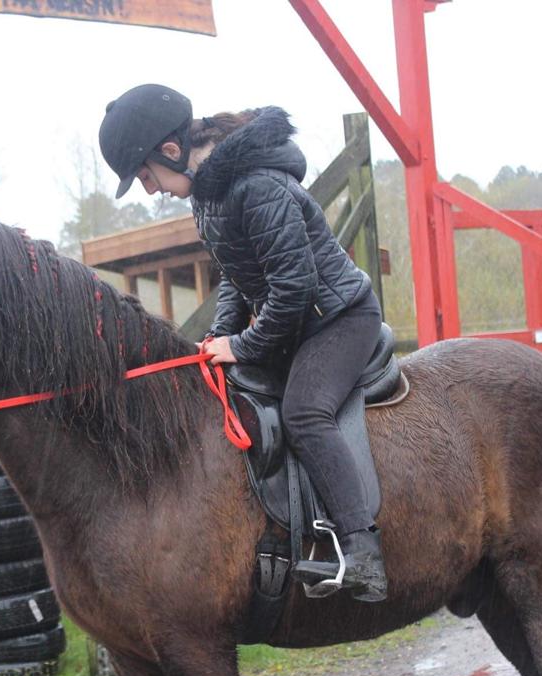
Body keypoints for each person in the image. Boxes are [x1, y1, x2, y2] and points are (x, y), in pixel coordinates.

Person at [98, 84, 387, 601]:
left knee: (303, 413)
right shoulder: (208, 196)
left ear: (171, 151)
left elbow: (293, 288)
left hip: (339, 318)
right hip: (297, 322)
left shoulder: (257, 187)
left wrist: (246, 345)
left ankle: (363, 549)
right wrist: (220, 336)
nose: (150, 190)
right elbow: (235, 276)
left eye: (145, 176)